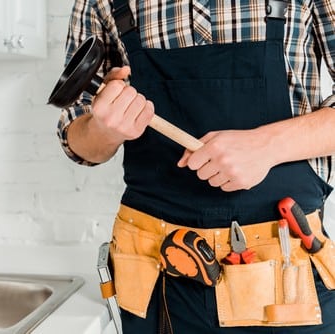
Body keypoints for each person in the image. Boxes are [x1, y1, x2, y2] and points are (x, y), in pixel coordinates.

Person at [56, 0, 335, 333]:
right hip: (153, 279)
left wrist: (268, 145)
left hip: (284, 280)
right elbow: (76, 139)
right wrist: (104, 129)